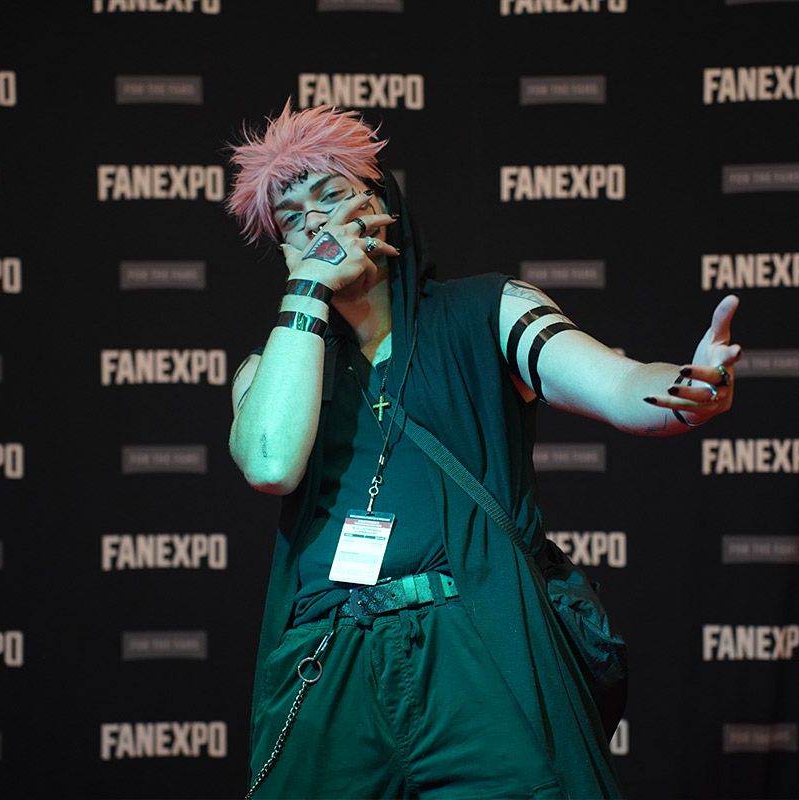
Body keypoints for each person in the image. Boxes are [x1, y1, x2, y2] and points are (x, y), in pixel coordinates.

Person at [225, 102, 741, 799]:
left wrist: (684, 387)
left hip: (473, 648)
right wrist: (308, 291)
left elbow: (619, 386)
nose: (315, 222)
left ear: (382, 204)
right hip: (330, 658)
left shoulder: (485, 310)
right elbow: (269, 462)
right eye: (292, 218)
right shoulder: (273, 366)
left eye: (331, 195)